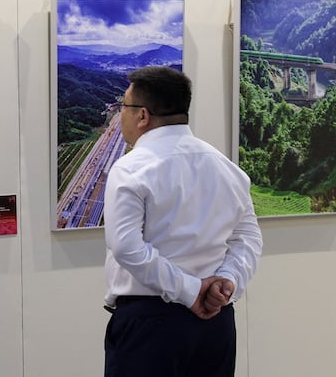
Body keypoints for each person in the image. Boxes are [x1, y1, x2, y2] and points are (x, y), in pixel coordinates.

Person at [103, 65, 262, 377]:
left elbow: (126, 248)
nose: (119, 114)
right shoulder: (225, 166)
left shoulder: (131, 169)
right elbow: (248, 238)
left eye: (122, 106)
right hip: (216, 324)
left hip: (149, 326)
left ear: (142, 116)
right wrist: (227, 282)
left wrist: (190, 291)